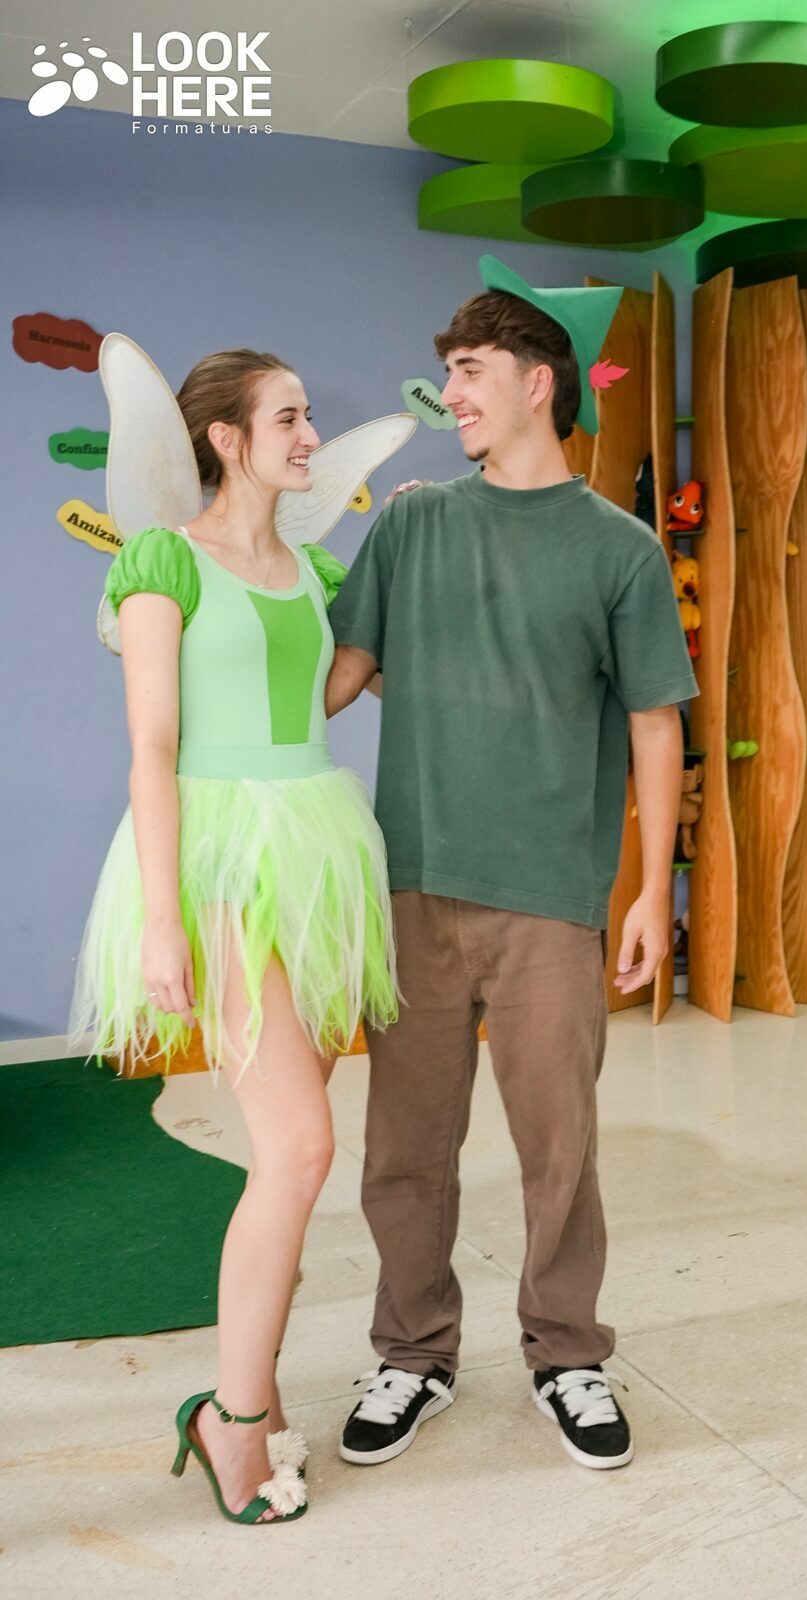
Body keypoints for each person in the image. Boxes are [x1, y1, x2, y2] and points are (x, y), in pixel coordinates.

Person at [326, 256, 698, 1472]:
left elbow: (655, 722)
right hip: (414, 886)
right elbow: (333, 678)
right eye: (447, 373)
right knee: (403, 1149)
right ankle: (412, 1351)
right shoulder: (411, 524)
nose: (449, 394)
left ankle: (566, 1353)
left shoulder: (620, 550)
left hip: (550, 897)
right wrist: (188, 633)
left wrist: (647, 887)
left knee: (558, 1150)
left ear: (538, 382)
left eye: (468, 371)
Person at [71, 349, 399, 1524]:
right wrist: (163, 916)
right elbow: (153, 747)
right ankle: (234, 1417)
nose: (311, 436)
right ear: (225, 437)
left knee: (288, 1160)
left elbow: (320, 695)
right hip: (215, 863)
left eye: (308, 416)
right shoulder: (165, 561)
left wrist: (409, 550)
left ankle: (244, 1391)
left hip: (315, 848)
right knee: (301, 1148)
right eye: (289, 417)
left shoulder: (314, 569)